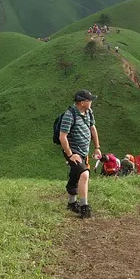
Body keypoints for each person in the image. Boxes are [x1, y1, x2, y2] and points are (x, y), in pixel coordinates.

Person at [58, 89, 102, 219]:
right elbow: (62, 137)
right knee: (84, 174)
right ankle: (84, 207)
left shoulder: (89, 112)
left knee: (75, 174)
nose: (91, 102)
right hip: (72, 150)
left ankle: (71, 203)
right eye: (89, 100)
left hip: (84, 151)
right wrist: (71, 155)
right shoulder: (69, 115)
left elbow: (92, 128)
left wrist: (97, 147)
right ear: (82, 102)